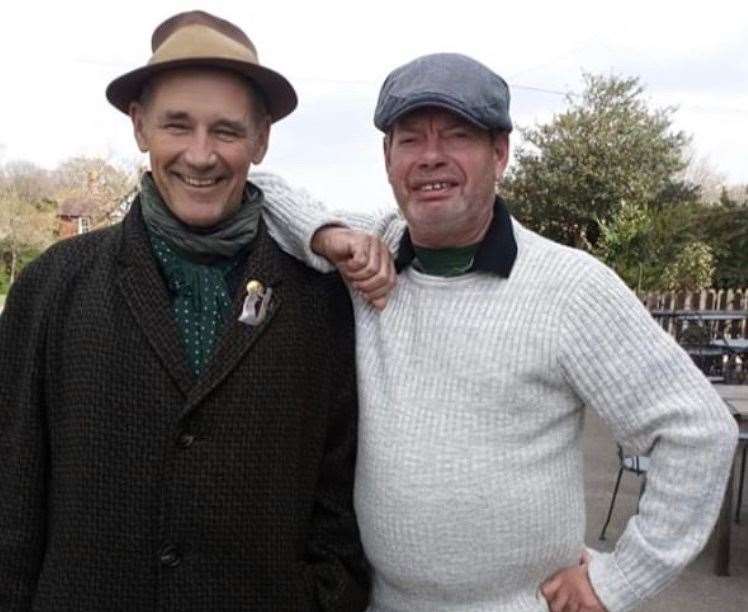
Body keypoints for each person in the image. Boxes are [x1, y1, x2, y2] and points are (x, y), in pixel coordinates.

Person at [256, 53, 738, 611]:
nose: (431, 156)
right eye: (409, 140)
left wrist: (620, 580)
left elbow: (699, 430)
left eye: (457, 135)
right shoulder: (372, 251)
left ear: (500, 153)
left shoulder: (569, 287)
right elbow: (259, 190)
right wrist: (326, 233)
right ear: (387, 159)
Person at [0, 11, 369, 611]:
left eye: (226, 130)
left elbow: (338, 507)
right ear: (140, 127)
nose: (200, 155)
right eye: (178, 125)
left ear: (261, 139)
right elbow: (11, 504)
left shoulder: (321, 300)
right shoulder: (52, 288)